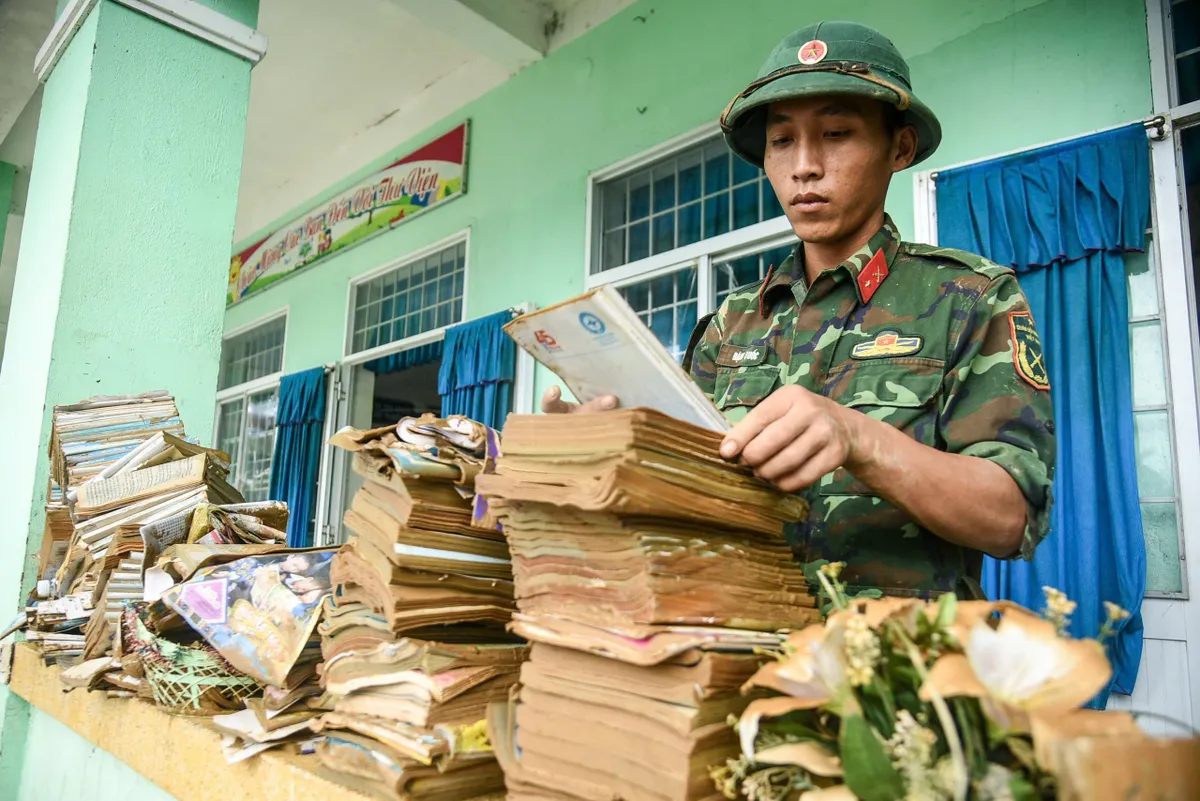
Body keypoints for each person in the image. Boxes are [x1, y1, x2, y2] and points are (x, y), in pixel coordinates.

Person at [542, 21, 1056, 599]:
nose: (804, 166)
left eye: (836, 133)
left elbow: (1011, 518)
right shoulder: (729, 324)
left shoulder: (968, 299)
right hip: (735, 653)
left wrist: (861, 439)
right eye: (782, 141)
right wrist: (605, 451)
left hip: (886, 673)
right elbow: (683, 495)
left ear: (899, 147)